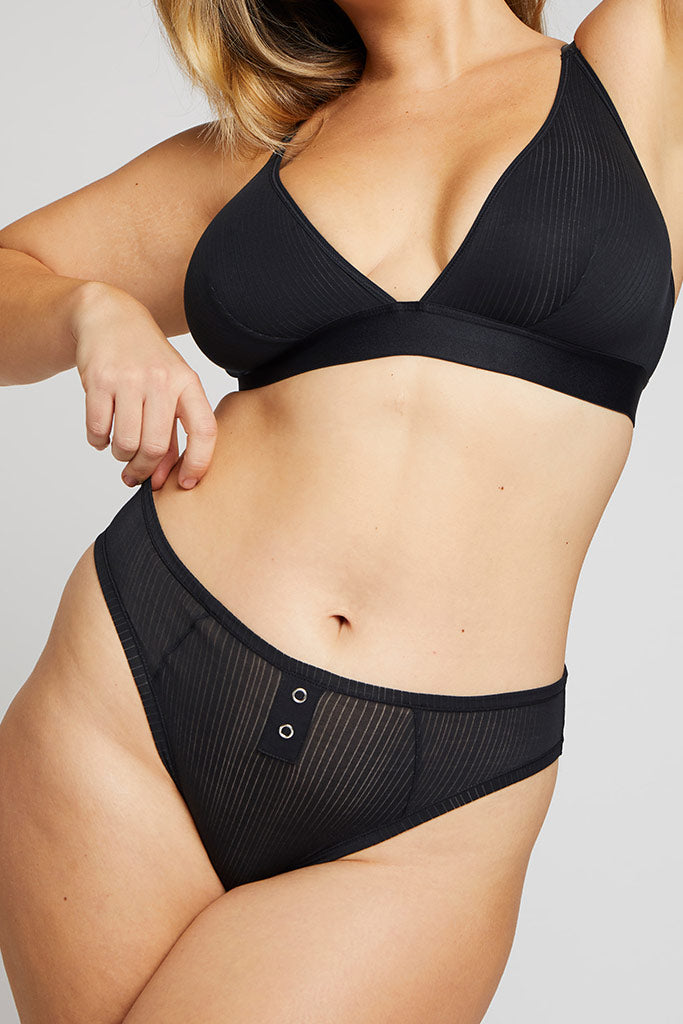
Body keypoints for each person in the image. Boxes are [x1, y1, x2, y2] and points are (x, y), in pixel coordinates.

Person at [0, 0, 679, 1021]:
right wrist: (93, 312)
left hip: (434, 797)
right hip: (133, 702)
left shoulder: (636, 66)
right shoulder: (259, 154)